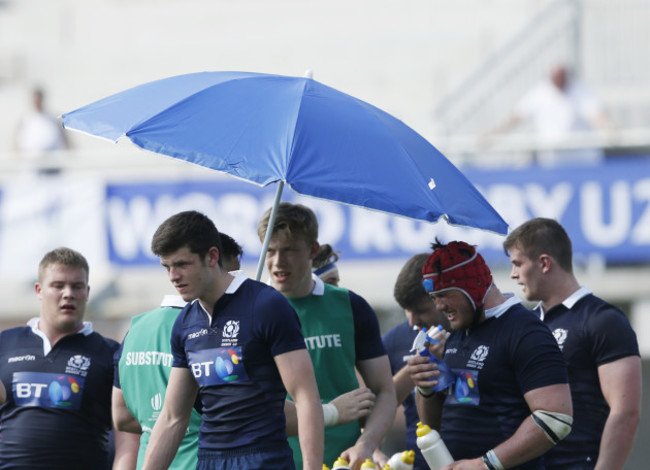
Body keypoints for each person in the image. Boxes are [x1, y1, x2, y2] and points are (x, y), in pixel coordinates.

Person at [141, 211, 323, 470]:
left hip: (263, 460)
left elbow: (305, 396)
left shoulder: (267, 306)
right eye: (167, 267)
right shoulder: (185, 322)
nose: (173, 276)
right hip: (209, 461)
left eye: (182, 264)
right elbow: (172, 417)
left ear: (212, 256)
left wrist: (312, 466)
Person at [407, 240, 573, 470]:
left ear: (472, 287)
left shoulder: (525, 331)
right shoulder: (458, 332)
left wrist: (484, 464)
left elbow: (555, 419)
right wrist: (426, 387)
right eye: (434, 297)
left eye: (444, 294)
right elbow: (435, 426)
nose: (439, 307)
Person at [258, 202, 396, 469]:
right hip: (270, 461)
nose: (277, 262)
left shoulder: (350, 306)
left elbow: (384, 392)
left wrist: (366, 445)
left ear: (312, 250)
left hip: (341, 462)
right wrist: (331, 413)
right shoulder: (248, 311)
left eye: (289, 250)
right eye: (271, 250)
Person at [503, 218, 641, 470]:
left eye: (517, 264)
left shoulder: (603, 320)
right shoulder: (524, 325)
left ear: (544, 263)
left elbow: (625, 412)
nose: (513, 274)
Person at [112, 232, 245, 470]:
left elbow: (121, 416)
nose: (239, 284)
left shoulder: (135, 329)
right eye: (234, 275)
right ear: (213, 266)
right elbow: (242, 413)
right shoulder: (210, 334)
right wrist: (327, 413)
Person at [0, 247, 125, 468]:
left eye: (76, 286)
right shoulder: (6, 344)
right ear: (39, 290)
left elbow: (127, 438)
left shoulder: (111, 353)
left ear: (87, 291)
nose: (68, 293)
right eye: (58, 286)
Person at [380, 253, 448, 470]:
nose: (412, 321)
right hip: (418, 460)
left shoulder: (470, 334)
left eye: (420, 311)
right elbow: (377, 406)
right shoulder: (394, 340)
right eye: (406, 310)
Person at [493, 63, 612, 166]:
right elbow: (516, 116)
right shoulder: (540, 92)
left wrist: (611, 134)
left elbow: (597, 117)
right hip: (552, 161)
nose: (560, 82)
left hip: (582, 160)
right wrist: (494, 134)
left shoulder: (582, 92)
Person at [13, 87, 69, 175]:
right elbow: (17, 138)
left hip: (51, 162)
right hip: (32, 163)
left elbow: (64, 136)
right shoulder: (26, 118)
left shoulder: (53, 117)